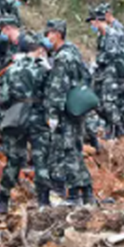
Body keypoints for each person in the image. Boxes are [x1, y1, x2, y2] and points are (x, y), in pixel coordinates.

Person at [0, 35, 52, 212]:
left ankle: (2, 200)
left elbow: (4, 98)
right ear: (38, 50)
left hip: (17, 116)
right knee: (41, 159)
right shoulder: (44, 70)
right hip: (38, 117)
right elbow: (51, 94)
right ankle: (44, 202)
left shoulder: (13, 69)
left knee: (14, 159)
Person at [43, 19, 95, 204]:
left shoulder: (62, 58)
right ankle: (87, 193)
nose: (46, 37)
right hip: (77, 109)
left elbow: (58, 89)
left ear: (57, 34)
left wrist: (53, 115)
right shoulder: (73, 52)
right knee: (76, 149)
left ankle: (74, 195)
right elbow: (86, 78)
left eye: (48, 34)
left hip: (65, 112)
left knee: (68, 152)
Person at [89, 5, 124, 138]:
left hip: (112, 75)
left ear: (97, 21)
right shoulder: (101, 35)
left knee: (109, 104)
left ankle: (118, 131)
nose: (91, 25)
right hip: (102, 74)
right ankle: (109, 130)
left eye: (92, 22)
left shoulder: (112, 34)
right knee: (98, 102)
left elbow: (111, 54)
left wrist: (97, 61)